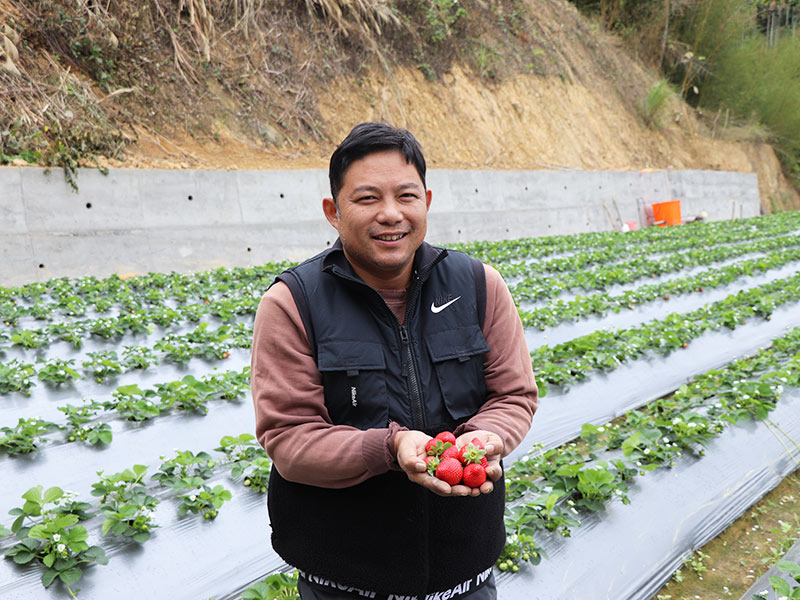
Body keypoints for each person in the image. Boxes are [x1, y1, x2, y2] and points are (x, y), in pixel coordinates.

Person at [251, 122, 538, 600]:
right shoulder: (293, 303)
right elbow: (289, 438)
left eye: (406, 196)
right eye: (367, 199)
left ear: (426, 200)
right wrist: (390, 448)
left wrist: (487, 438)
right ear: (333, 211)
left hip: (464, 578)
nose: (390, 214)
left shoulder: (479, 286)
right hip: (344, 583)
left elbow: (514, 395)